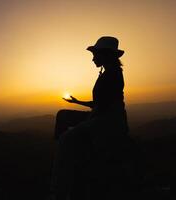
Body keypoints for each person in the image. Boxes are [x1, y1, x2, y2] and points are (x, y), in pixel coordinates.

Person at [50, 36, 131, 200]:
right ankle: (62, 149)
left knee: (67, 138)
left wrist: (88, 121)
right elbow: (100, 102)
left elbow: (103, 107)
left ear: (105, 55)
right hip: (101, 115)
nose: (93, 58)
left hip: (108, 120)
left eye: (95, 55)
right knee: (63, 115)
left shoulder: (112, 75)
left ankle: (59, 189)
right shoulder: (108, 72)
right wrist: (77, 101)